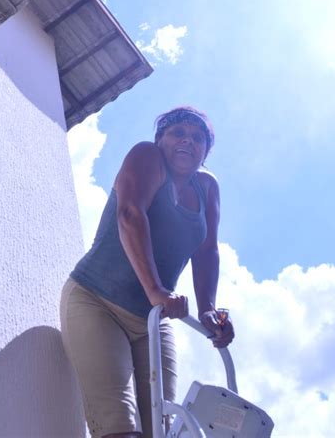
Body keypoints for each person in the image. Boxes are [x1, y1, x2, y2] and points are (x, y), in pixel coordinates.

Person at [60, 106, 234, 438]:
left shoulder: (207, 187)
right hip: (97, 302)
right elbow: (130, 213)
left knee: (160, 429)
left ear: (206, 152)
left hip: (152, 320)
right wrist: (156, 289)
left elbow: (207, 249)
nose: (187, 141)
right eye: (177, 133)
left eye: (198, 138)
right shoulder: (147, 157)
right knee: (120, 427)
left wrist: (208, 309)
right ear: (160, 139)